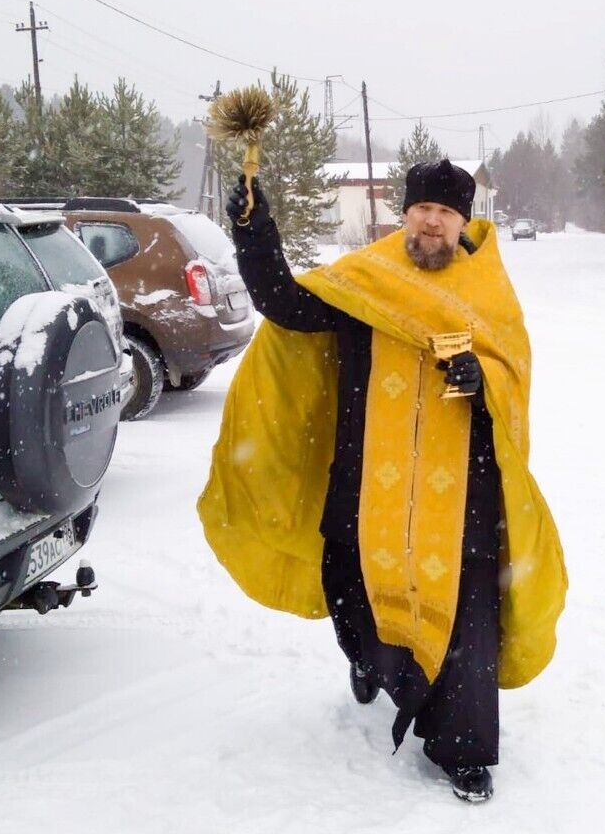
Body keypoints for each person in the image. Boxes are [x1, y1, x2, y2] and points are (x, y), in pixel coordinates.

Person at [198, 159, 567, 803]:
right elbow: (283, 302)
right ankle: (373, 662)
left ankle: (463, 748)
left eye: (447, 213)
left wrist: (483, 381)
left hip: (461, 494)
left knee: (464, 613)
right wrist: (255, 232)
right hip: (365, 482)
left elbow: (512, 375)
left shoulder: (487, 292)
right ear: (406, 214)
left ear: (463, 222)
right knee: (352, 580)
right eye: (423, 209)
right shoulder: (365, 281)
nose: (433, 221)